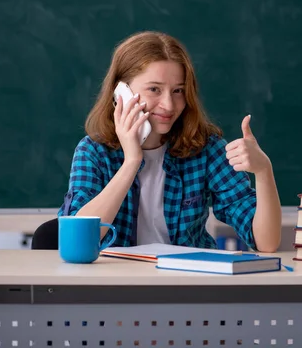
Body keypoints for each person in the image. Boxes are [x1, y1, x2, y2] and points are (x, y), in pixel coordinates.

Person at [57, 31, 282, 252]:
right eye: (154, 89)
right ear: (121, 92)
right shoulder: (93, 151)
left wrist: (263, 171)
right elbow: (76, 240)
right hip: (118, 283)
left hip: (187, 282)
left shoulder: (207, 150)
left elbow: (267, 243)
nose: (169, 105)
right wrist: (132, 161)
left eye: (178, 91)